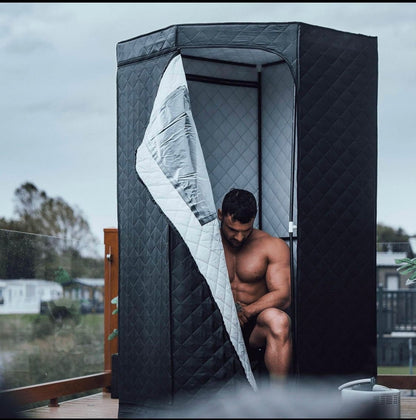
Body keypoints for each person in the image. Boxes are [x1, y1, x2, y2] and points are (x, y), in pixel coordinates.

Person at [218, 188, 292, 382]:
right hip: (216, 324)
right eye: (232, 230)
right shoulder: (207, 244)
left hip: (253, 326)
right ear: (220, 215)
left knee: (279, 320)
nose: (239, 238)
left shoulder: (272, 246)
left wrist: (247, 311)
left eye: (246, 231)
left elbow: (283, 295)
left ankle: (279, 401)